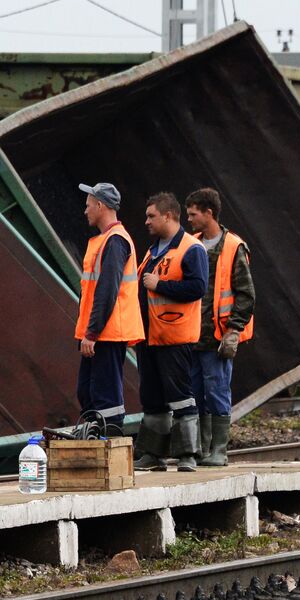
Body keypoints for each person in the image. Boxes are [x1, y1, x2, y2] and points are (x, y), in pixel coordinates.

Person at [134, 192, 208, 471]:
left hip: (175, 336)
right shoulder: (154, 250)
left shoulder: (191, 249)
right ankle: (154, 455)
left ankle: (188, 454)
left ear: (168, 216)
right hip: (150, 336)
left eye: (151, 216)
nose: (146, 221)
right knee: (152, 397)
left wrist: (160, 285)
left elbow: (197, 288)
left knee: (180, 395)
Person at [185, 188, 254, 467]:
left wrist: (233, 330)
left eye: (193, 214)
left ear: (208, 213)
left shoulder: (233, 247)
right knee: (195, 393)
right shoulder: (191, 244)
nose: (188, 219)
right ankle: (202, 449)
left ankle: (219, 450)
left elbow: (246, 294)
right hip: (192, 336)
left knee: (216, 392)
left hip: (216, 337)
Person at [74, 182, 143, 437]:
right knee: (88, 391)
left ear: (101, 205)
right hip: (102, 331)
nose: (86, 211)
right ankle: (97, 442)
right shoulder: (106, 240)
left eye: (89, 205)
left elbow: (107, 291)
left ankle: (110, 445)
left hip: (108, 332)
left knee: (105, 396)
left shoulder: (115, 241)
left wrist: (92, 332)